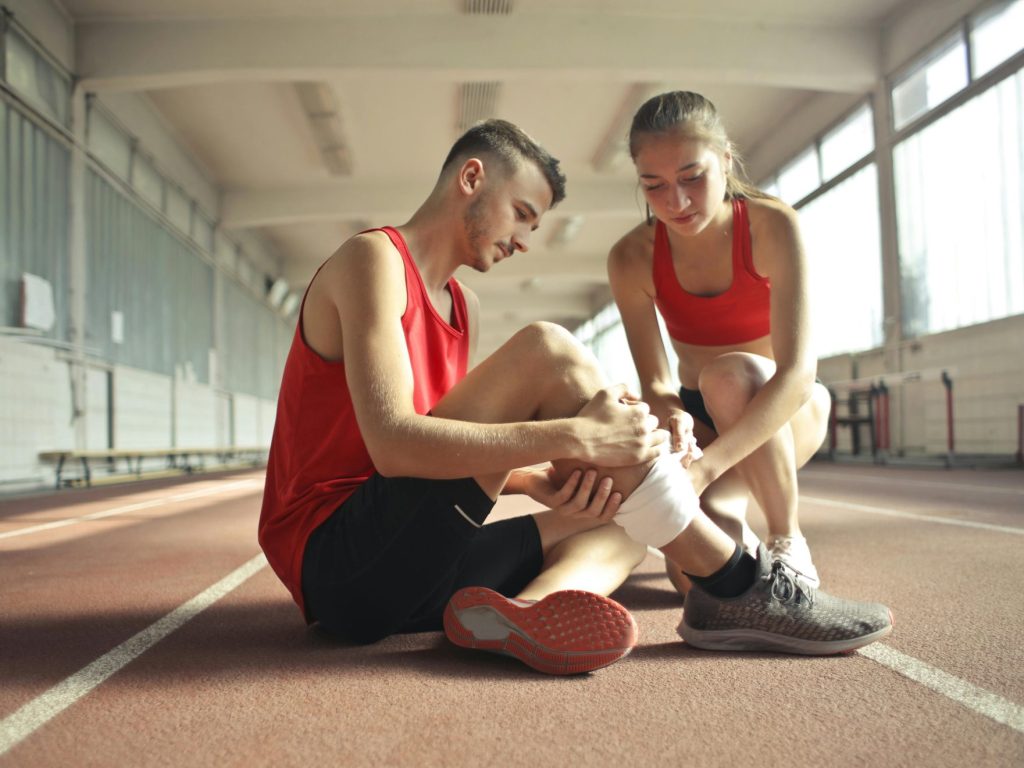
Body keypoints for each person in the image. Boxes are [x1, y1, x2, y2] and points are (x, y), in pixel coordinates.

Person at [259, 119, 891, 678]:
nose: (525, 241)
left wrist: (537, 480)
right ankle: (735, 582)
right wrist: (574, 439)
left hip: (409, 576)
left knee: (621, 513)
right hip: (340, 566)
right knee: (547, 349)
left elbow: (441, 457)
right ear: (472, 178)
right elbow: (395, 448)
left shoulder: (463, 306)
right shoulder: (374, 260)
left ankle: (528, 612)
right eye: (523, 214)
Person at [608, 91, 832, 590]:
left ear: (726, 160)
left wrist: (705, 471)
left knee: (730, 375)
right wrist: (675, 419)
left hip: (785, 408)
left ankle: (786, 539)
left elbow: (797, 375)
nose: (676, 201)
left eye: (692, 178)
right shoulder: (631, 258)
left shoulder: (774, 226)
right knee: (693, 581)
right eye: (654, 185)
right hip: (703, 421)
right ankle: (735, 518)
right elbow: (657, 381)